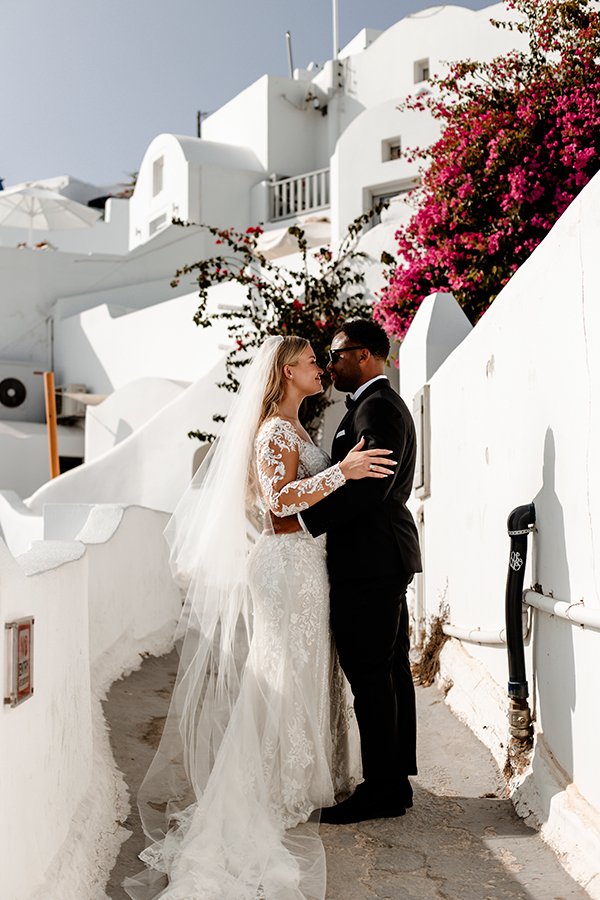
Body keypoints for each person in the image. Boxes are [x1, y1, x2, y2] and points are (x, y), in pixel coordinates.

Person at [124, 335, 396, 900]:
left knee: (307, 668)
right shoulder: (273, 429)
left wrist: (339, 470)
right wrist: (342, 471)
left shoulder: (299, 428)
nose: (320, 369)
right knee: (282, 669)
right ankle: (275, 785)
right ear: (286, 371)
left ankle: (302, 776)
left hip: (308, 563)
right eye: (310, 363)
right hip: (283, 566)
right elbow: (278, 501)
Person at [271, 318, 422, 824]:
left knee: (371, 674)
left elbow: (369, 486)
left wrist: (304, 523)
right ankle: (394, 780)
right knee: (387, 669)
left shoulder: (376, 406)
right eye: (324, 359)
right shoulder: (365, 406)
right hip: (376, 557)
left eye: (335, 356)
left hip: (371, 560)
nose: (329, 364)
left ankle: (382, 787)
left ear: (365, 356)